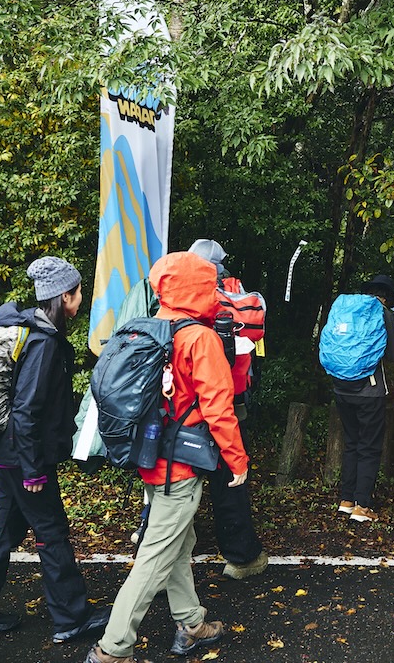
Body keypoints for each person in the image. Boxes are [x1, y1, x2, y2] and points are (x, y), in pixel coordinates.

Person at [85, 251, 249, 663]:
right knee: (155, 555)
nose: (215, 294)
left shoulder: (149, 329)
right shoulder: (199, 338)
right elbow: (218, 409)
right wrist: (238, 460)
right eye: (209, 286)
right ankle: (113, 648)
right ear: (196, 288)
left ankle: (191, 623)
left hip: (149, 455)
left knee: (178, 539)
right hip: (181, 465)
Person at [0, 256, 111, 644]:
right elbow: (27, 410)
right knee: (52, 532)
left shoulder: (32, 331)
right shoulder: (44, 343)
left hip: (8, 452)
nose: (81, 297)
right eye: (78, 291)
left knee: (2, 534)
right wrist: (34, 469)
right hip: (23, 457)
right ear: (65, 296)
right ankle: (71, 617)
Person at [187, 239, 269, 579]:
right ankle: (241, 558)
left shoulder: (183, 299)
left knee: (177, 482)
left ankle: (165, 555)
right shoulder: (241, 301)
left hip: (186, 411)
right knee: (230, 483)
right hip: (232, 406)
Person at [331, 274, 394, 523]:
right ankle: (362, 506)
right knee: (369, 447)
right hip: (369, 391)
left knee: (352, 443)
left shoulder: (348, 309)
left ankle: (346, 500)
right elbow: (393, 353)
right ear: (387, 297)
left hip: (341, 388)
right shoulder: (383, 313)